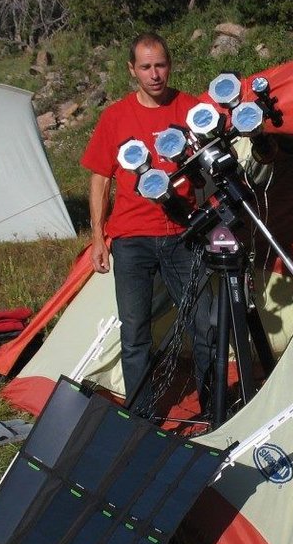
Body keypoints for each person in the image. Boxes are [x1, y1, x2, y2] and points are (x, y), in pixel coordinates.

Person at [81, 32, 213, 415]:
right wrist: (97, 237)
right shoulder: (116, 116)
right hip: (131, 240)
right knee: (135, 333)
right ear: (132, 70)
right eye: (145, 67)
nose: (154, 74)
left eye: (160, 65)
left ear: (169, 65)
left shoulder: (190, 109)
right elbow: (100, 178)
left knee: (202, 326)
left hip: (181, 235)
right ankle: (141, 416)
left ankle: (214, 408)